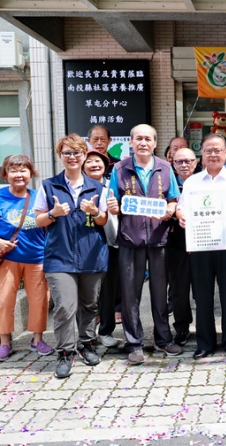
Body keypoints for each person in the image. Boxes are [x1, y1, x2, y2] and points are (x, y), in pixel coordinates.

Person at [33, 135, 109, 378]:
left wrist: (94, 211)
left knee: (90, 305)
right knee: (65, 307)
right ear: (60, 156)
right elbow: (38, 220)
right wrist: (53, 213)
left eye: (77, 152)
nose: (73, 157)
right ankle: (65, 352)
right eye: (67, 153)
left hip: (92, 256)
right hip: (59, 257)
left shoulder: (98, 187)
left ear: (84, 156)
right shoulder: (48, 186)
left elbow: (103, 221)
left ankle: (87, 344)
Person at [107, 124, 183, 365]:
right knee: (130, 295)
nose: (143, 143)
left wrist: (170, 210)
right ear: (131, 142)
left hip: (159, 239)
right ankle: (134, 343)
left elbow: (173, 199)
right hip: (130, 239)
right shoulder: (119, 169)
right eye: (138, 138)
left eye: (148, 139)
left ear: (154, 143)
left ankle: (163, 338)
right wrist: (113, 207)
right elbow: (113, 202)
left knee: (160, 293)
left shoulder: (165, 167)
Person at [177, 133, 226, 359]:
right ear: (202, 154)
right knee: (202, 294)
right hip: (200, 239)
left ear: (225, 153)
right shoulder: (192, 181)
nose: (213, 154)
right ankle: (205, 343)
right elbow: (181, 207)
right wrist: (182, 218)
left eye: (218, 150)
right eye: (208, 150)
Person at [0, 155, 52, 362]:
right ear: (5, 174)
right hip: (7, 259)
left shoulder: (39, 197)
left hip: (37, 258)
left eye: (23, 170)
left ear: (31, 173)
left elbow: (49, 223)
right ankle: (4, 343)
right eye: (14, 170)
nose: (19, 174)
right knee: (3, 300)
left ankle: (38, 339)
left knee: (40, 300)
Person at [83, 149, 122, 349]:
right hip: (83, 247)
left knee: (108, 291)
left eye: (98, 161)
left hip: (110, 243)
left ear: (106, 166)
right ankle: (85, 334)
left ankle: (106, 330)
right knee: (86, 293)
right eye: (89, 161)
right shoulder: (78, 188)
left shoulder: (111, 187)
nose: (94, 164)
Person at [166, 147, 197, 347]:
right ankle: (182, 327)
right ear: (173, 164)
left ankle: (206, 327)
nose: (184, 165)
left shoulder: (205, 181)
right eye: (179, 162)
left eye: (188, 161)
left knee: (203, 289)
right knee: (179, 288)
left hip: (204, 240)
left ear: (196, 162)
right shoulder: (166, 183)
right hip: (176, 242)